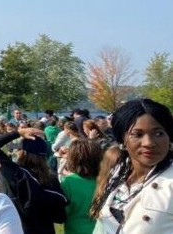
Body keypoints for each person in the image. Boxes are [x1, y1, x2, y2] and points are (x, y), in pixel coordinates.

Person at [90, 98, 173, 232]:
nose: (148, 143)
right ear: (122, 139)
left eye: (158, 133)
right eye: (137, 134)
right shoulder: (118, 172)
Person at [60, 138, 101, 234]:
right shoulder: (106, 180)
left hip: (76, 230)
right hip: (101, 229)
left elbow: (63, 213)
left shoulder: (68, 182)